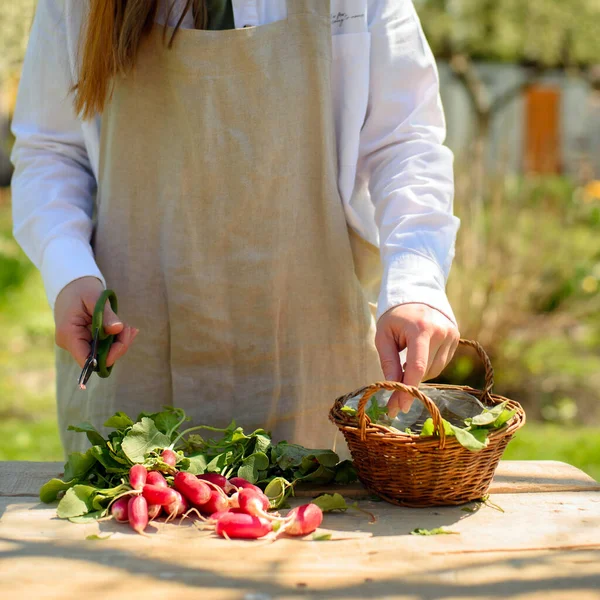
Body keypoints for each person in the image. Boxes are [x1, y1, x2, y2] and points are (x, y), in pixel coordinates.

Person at [11, 0, 460, 455]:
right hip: (132, 360)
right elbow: (51, 151)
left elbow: (404, 142)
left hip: (310, 364)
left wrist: (416, 281)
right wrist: (66, 267)